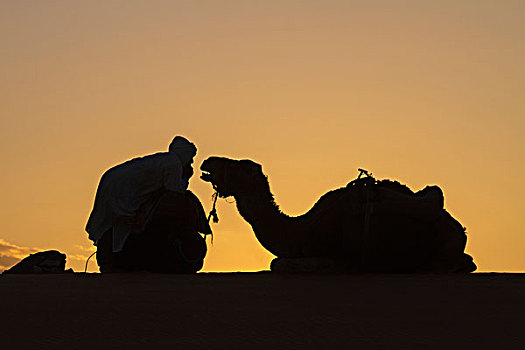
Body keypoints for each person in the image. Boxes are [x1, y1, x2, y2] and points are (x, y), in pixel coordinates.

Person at [86, 136, 212, 273]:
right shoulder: (173, 163)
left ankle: (111, 260)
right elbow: (174, 189)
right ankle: (113, 261)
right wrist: (187, 176)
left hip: (113, 181)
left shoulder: (165, 160)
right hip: (121, 189)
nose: (191, 161)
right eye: (191, 157)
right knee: (121, 223)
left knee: (112, 223)